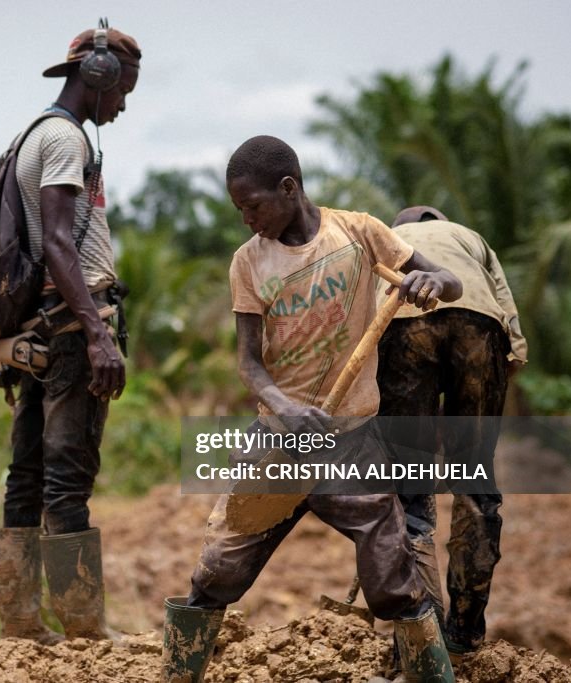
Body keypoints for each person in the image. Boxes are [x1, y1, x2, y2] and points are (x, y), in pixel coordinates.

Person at [163, 136, 463, 683]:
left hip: (352, 442)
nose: (248, 220)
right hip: (278, 444)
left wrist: (428, 281)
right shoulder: (248, 263)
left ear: (288, 188)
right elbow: (250, 364)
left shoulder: (359, 232)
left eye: (253, 206)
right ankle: (178, 675)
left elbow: (450, 281)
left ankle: (431, 675)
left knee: (393, 577)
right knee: (217, 572)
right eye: (239, 210)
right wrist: (284, 406)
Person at [0, 22, 139, 643]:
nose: (123, 104)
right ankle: (84, 630)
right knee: (67, 475)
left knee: (26, 473)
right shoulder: (64, 140)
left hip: (36, 324)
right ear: (98, 75)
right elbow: (55, 242)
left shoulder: (31, 134)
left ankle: (22, 626)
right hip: (71, 327)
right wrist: (98, 335)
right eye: (123, 89)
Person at [377, 205, 527, 661]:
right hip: (479, 327)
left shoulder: (386, 237)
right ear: (438, 221)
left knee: (409, 491)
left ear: (404, 226)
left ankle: (421, 642)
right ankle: (464, 633)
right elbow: (512, 337)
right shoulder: (471, 236)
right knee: (475, 485)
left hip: (403, 325)